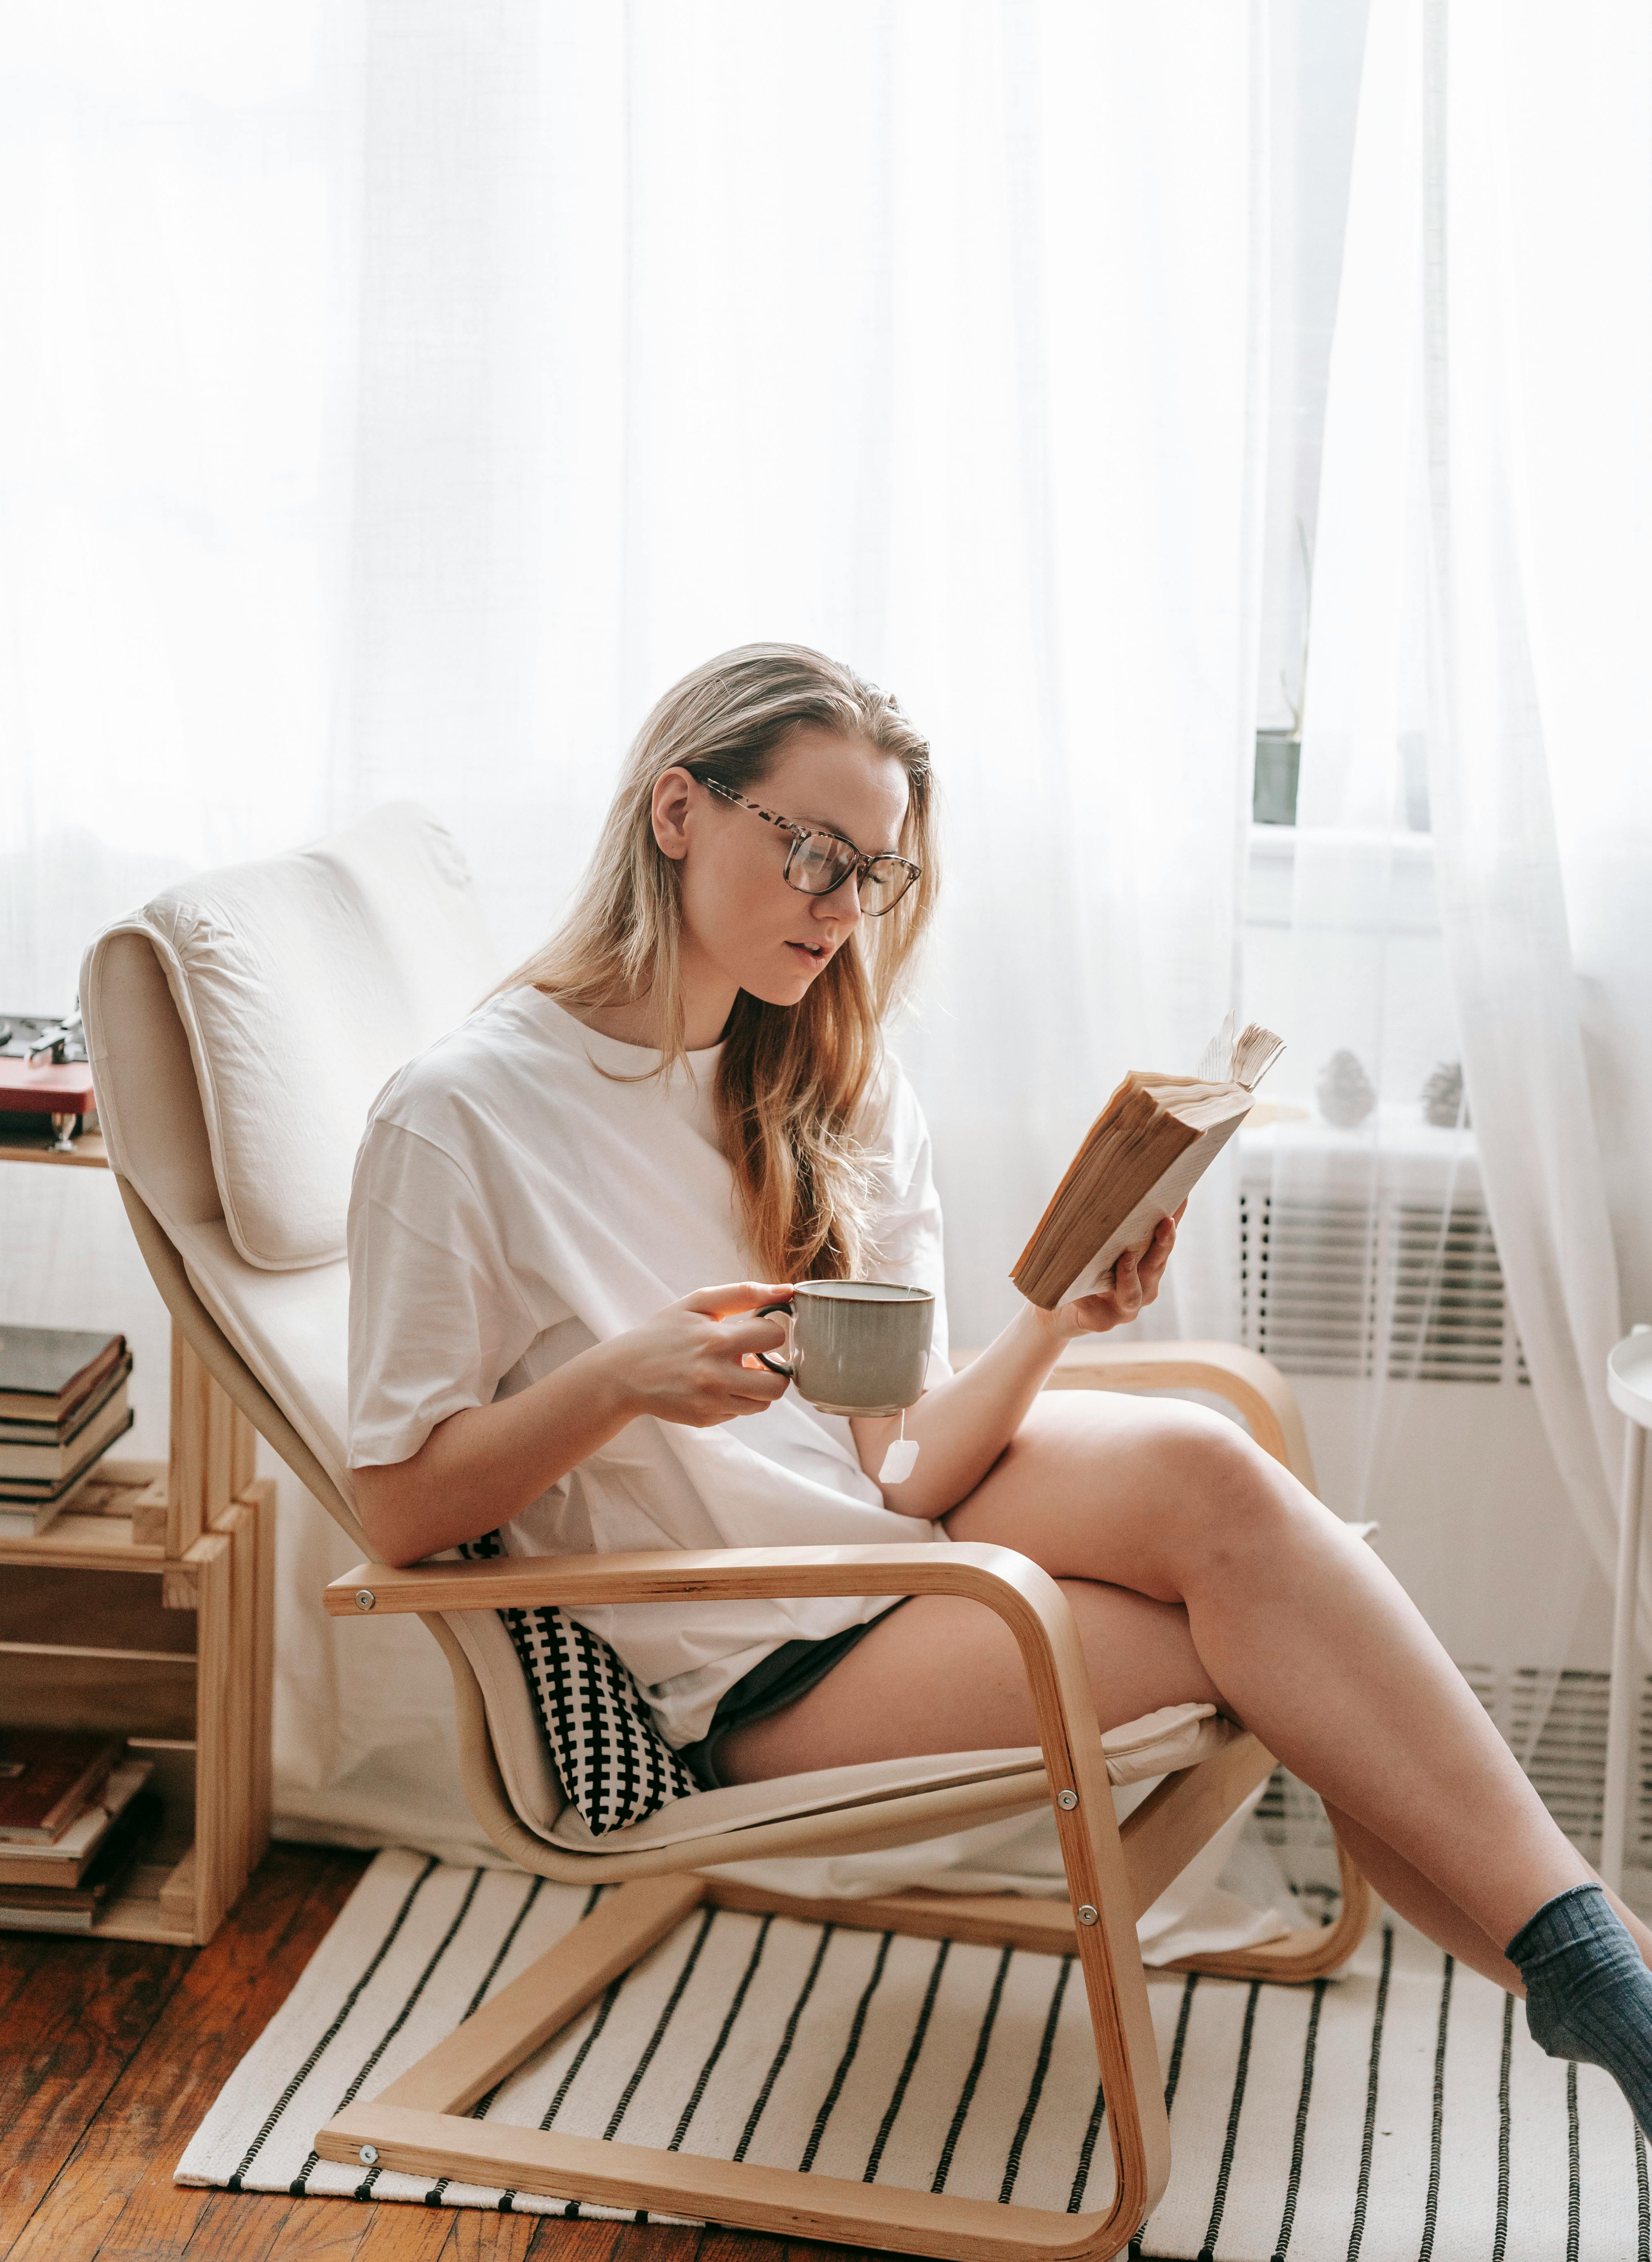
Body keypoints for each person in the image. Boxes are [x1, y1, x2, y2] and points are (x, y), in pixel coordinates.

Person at [348, 641, 1652, 2129]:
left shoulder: (832, 1076)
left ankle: (1614, 1990)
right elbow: (396, 1511)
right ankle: (1617, 1986)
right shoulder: (464, 1116)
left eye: (876, 875)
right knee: (1295, 1644)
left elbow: (901, 1462)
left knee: (1212, 1474)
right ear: (677, 812)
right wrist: (620, 1382)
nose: (843, 911)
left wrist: (1050, 1322)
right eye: (814, 854)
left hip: (897, 1546)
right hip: (759, 1661)